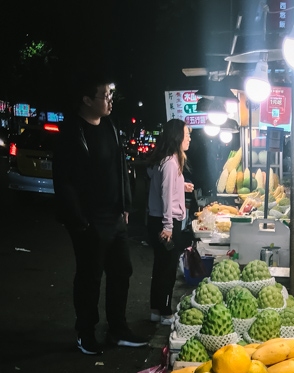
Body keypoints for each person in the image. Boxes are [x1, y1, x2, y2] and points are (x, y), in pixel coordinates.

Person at [53, 76, 147, 355]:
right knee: (90, 276)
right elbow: (64, 180)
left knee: (122, 271)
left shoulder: (111, 126)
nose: (110, 100)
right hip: (89, 220)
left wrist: (126, 205)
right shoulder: (72, 132)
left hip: (115, 216)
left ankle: (117, 329)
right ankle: (86, 332)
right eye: (104, 95)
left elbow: (120, 168)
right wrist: (79, 220)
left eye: (110, 94)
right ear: (86, 100)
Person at [147, 120, 193, 323]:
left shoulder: (167, 161)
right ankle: (165, 311)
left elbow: (167, 189)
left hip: (161, 220)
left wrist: (183, 186)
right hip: (166, 222)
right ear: (177, 137)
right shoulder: (170, 163)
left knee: (160, 267)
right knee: (167, 268)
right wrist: (168, 226)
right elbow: (166, 196)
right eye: (186, 134)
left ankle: (156, 310)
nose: (189, 138)